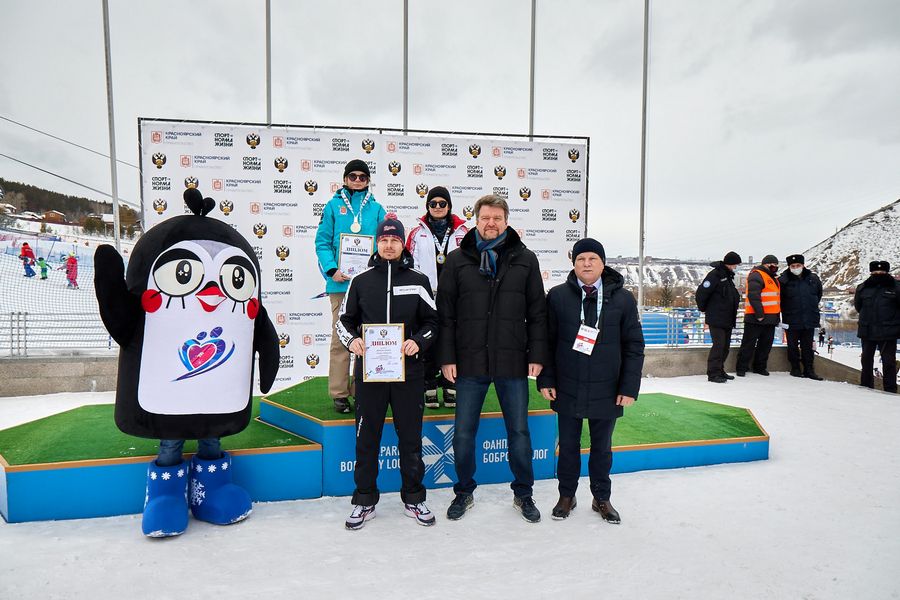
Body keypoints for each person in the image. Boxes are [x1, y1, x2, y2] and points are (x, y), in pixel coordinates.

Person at [437, 194, 548, 523]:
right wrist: (447, 357)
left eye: (497, 218)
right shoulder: (457, 260)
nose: (491, 223)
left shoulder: (525, 259)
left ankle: (523, 493)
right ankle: (464, 491)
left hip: (511, 361)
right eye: (485, 217)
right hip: (469, 361)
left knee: (519, 433)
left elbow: (537, 312)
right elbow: (446, 314)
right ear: (476, 220)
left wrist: (537, 354)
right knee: (463, 433)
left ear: (506, 221)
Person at [336, 214, 439, 529]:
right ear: (377, 243)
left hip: (409, 373)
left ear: (403, 244)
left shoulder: (418, 280)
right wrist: (353, 341)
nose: (390, 245)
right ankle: (364, 500)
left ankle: (414, 498)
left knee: (410, 438)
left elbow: (433, 322)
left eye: (395, 240)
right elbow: (343, 321)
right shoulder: (361, 280)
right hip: (371, 375)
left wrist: (418, 341)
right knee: (367, 438)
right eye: (384, 240)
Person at [537, 238, 644, 522]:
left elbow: (634, 346)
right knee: (568, 446)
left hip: (608, 388)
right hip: (567, 385)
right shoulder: (558, 296)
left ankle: (601, 498)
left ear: (603, 263)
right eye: (581, 259)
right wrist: (546, 379)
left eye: (592, 259)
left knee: (602, 448)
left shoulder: (623, 299)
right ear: (573, 264)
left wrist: (628, 387)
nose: (586, 264)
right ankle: (567, 496)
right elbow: (546, 342)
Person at [315, 159, 386, 414]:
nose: (357, 180)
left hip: (369, 286)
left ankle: (362, 390)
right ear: (345, 179)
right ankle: (339, 393)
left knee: (367, 338)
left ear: (368, 181)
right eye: (353, 176)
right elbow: (322, 241)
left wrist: (379, 273)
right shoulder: (333, 206)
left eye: (362, 177)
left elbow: (385, 242)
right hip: (340, 285)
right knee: (340, 339)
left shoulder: (377, 209)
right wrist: (331, 269)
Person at [405, 186, 468, 409]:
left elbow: (471, 263)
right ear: (427, 206)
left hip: (455, 296)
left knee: (453, 338)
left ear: (449, 206)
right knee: (428, 337)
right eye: (433, 204)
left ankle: (451, 385)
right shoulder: (417, 233)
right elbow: (409, 263)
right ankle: (429, 384)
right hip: (427, 295)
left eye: (442, 203)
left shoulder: (464, 232)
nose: (438, 207)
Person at [854, 260, 900, 393]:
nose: (878, 274)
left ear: (887, 272)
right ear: (871, 272)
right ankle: (866, 387)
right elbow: (858, 307)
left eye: (881, 271)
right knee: (866, 361)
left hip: (888, 331)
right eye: (875, 271)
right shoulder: (862, 287)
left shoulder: (896, 287)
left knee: (889, 362)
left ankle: (890, 390)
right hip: (867, 330)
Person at [695, 251, 742, 383]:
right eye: (735, 265)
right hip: (716, 318)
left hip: (727, 318)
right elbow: (701, 293)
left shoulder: (728, 276)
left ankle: (720, 370)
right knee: (718, 346)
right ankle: (713, 373)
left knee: (725, 347)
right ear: (730, 264)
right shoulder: (715, 275)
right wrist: (704, 309)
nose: (736, 267)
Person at [778, 254, 824, 380]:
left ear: (803, 265)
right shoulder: (783, 281)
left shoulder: (813, 279)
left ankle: (809, 370)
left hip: (809, 318)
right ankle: (795, 369)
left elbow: (818, 295)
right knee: (792, 346)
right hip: (791, 319)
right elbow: (780, 300)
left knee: (807, 346)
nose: (796, 268)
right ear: (789, 267)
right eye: (793, 266)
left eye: (798, 265)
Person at [735, 255, 781, 377]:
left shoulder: (773, 277)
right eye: (771, 264)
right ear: (764, 264)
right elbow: (753, 296)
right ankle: (741, 368)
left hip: (771, 319)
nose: (774, 267)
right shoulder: (757, 274)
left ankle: (760, 367)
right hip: (755, 318)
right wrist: (759, 314)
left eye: (776, 265)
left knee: (765, 345)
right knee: (748, 344)